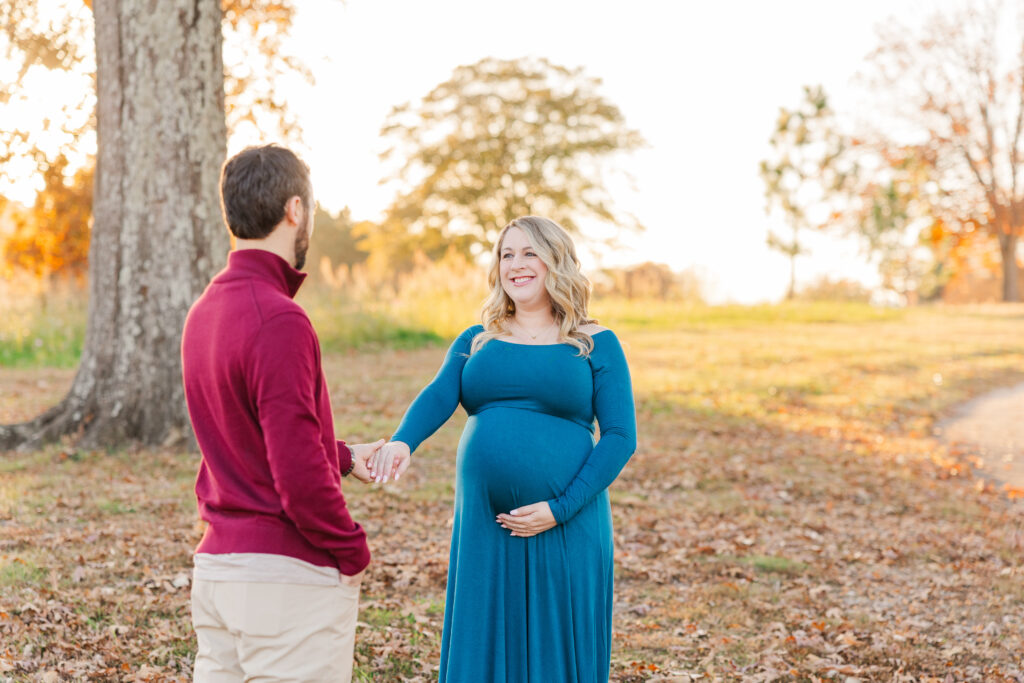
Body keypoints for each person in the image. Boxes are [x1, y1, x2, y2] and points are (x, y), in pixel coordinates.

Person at [369, 216, 638, 682]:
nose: (516, 264)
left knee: (557, 652)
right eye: (506, 254)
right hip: (485, 525)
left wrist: (560, 508)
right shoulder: (479, 338)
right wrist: (402, 442)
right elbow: (439, 394)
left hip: (566, 521)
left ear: (557, 259)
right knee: (486, 641)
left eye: (530, 252)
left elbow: (619, 436)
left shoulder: (595, 342)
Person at [181, 144, 381, 682]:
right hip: (283, 582)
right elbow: (295, 475)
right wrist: (352, 549)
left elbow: (243, 432)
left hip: (219, 574)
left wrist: (340, 456)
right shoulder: (279, 318)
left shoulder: (205, 312)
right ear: (295, 210)